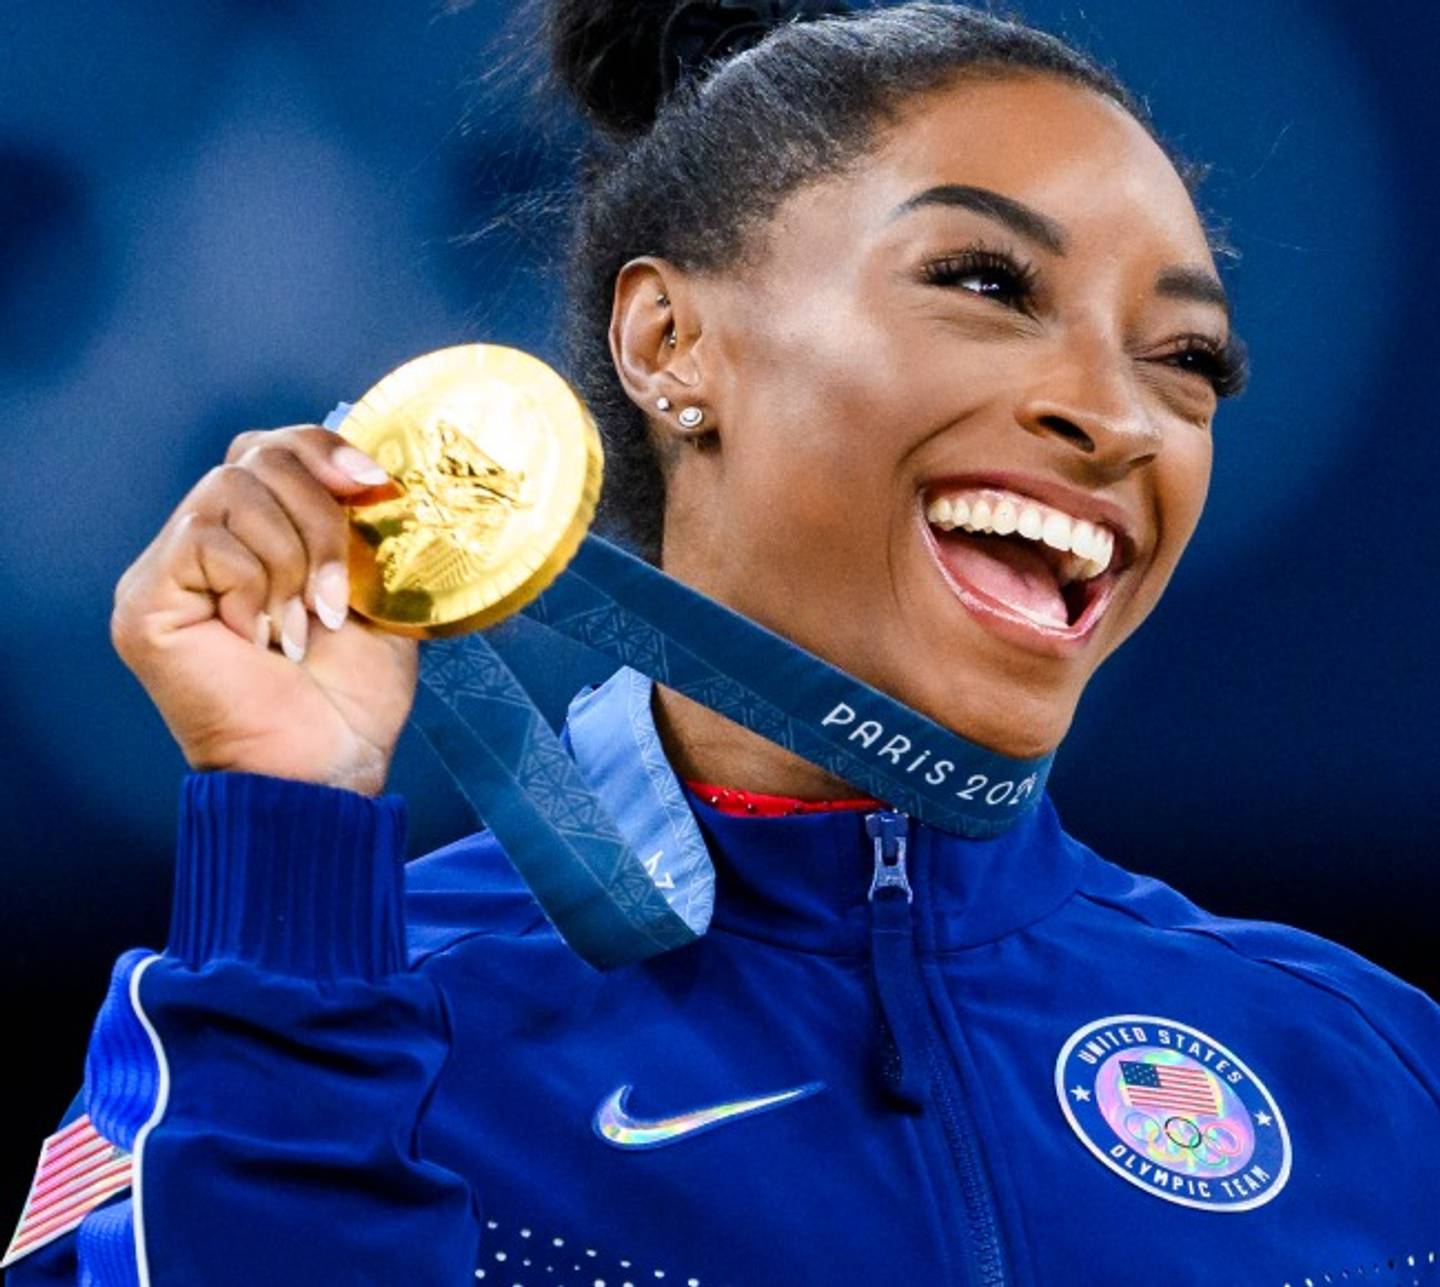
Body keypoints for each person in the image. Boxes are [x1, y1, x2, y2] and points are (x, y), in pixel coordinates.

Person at [7, 2, 1438, 1284]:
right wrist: (288, 825)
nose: (1121, 418)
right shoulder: (310, 1020)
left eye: (1185, 359)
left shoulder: (1368, 1064)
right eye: (990, 284)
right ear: (668, 342)